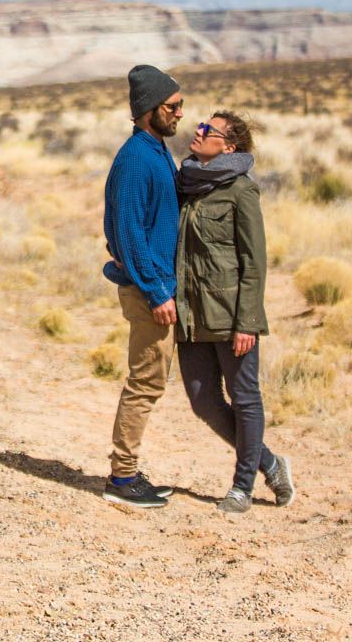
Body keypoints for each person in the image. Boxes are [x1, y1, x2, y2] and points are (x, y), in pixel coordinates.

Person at [174, 110, 296, 513]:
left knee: (245, 399)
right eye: (202, 125)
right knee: (202, 401)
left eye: (209, 130)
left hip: (231, 315)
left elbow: (254, 261)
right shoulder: (187, 182)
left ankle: (243, 486)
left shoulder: (241, 191)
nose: (199, 130)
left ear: (229, 146)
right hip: (192, 312)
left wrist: (247, 322)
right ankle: (270, 462)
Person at [100, 64, 183, 509]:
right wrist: (156, 292)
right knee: (146, 382)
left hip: (155, 285)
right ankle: (123, 478)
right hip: (149, 290)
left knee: (148, 380)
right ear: (150, 109)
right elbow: (129, 232)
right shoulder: (136, 159)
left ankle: (127, 470)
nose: (180, 115)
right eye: (173, 107)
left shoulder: (154, 152)